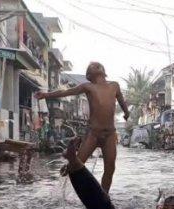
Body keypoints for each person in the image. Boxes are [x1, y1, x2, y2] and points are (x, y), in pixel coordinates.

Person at [35, 62, 130, 193]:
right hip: (93, 134)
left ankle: (104, 196)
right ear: (90, 75)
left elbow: (121, 100)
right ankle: (67, 170)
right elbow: (66, 92)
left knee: (110, 169)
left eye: (97, 65)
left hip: (109, 134)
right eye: (93, 66)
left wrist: (126, 112)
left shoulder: (115, 85)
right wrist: (46, 95)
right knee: (77, 165)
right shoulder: (88, 86)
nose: (96, 66)